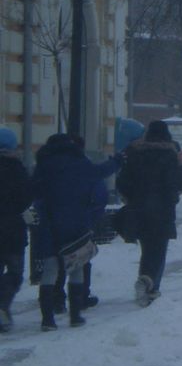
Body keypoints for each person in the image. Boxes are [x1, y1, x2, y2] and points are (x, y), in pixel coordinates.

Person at [31, 134, 121, 330]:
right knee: (76, 266)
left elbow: (33, 191)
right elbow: (101, 172)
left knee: (50, 269)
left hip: (48, 223)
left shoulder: (43, 165)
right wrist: (117, 161)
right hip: (76, 224)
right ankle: (75, 315)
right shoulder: (79, 164)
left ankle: (47, 319)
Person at [116, 120, 182, 307]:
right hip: (163, 209)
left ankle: (146, 283)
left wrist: (129, 198)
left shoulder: (133, 152)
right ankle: (150, 284)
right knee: (158, 248)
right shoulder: (172, 153)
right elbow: (180, 183)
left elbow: (122, 181)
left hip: (138, 207)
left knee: (146, 247)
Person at [0, 128, 32, 332]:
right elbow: (25, 199)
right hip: (12, 231)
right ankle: (2, 305)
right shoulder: (17, 169)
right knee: (15, 272)